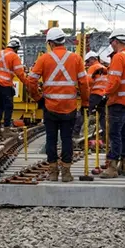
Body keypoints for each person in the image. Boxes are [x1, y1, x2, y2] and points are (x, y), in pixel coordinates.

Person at [26, 28, 90, 182]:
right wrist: (86, 102)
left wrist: (38, 98)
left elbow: (30, 81)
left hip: (50, 107)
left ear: (50, 42)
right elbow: (84, 83)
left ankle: (53, 172)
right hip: (69, 107)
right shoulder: (76, 59)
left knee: (51, 139)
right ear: (63, 41)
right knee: (67, 139)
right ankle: (66, 173)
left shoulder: (44, 59)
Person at [101, 29, 125, 179]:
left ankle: (112, 167)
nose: (111, 45)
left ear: (115, 41)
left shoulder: (117, 57)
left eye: (111, 42)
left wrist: (105, 94)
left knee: (114, 134)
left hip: (117, 101)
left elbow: (114, 81)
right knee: (124, 133)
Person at [0, 37, 27, 134]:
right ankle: (6, 129)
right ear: (16, 48)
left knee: (0, 106)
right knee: (8, 106)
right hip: (5, 86)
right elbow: (20, 73)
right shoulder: (14, 56)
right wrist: (27, 82)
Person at [85, 50, 108, 136]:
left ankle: (75, 132)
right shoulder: (104, 68)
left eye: (87, 61)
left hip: (95, 94)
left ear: (92, 59)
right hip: (103, 96)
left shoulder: (93, 67)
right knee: (102, 116)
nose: (87, 64)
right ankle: (106, 135)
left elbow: (88, 82)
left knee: (83, 110)